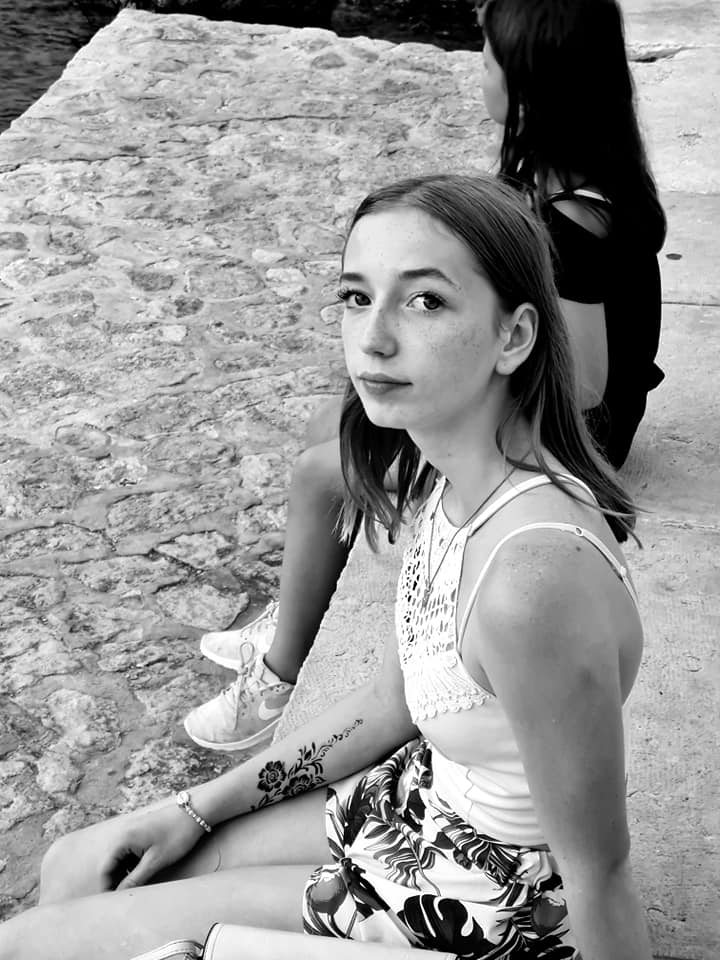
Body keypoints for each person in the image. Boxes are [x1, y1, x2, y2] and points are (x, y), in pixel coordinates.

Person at [0, 173, 654, 960]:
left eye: (426, 301)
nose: (373, 338)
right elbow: (391, 704)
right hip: (412, 811)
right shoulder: (451, 481)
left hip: (474, 902)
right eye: (356, 296)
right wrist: (193, 809)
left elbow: (599, 874)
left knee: (35, 945)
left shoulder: (531, 582)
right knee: (76, 865)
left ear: (513, 337)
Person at [183, 0, 666, 754]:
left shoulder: (573, 222)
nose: (480, 71)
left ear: (530, 85)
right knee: (334, 422)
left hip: (562, 432)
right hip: (543, 402)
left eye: (487, 57)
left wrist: (467, 383)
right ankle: (295, 607)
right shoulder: (581, 176)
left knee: (321, 474)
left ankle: (279, 677)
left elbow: (589, 385)